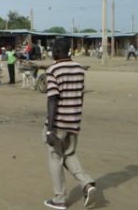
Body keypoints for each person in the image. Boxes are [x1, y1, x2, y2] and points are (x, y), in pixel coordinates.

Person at [43, 38, 96, 210]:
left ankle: (59, 199)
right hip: (74, 121)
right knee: (70, 154)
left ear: (58, 50)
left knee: (55, 157)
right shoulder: (79, 69)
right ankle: (87, 183)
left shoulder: (53, 70)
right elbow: (80, 95)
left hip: (58, 123)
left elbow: (52, 99)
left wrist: (50, 129)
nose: (51, 52)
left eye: (52, 49)